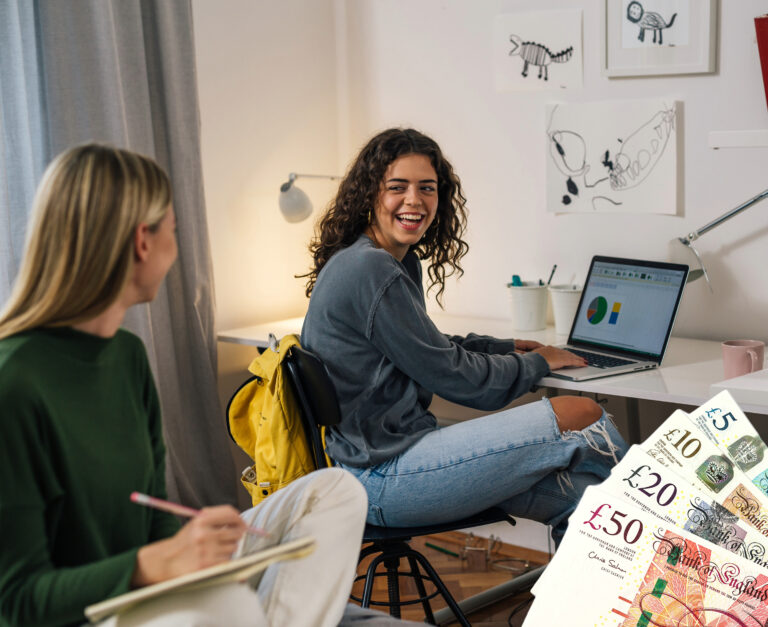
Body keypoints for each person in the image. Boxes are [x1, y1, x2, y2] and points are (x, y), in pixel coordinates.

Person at [0, 144, 407, 627]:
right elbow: (16, 602)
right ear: (141, 242)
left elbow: (149, 516)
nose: (178, 247)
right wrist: (152, 565)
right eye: (174, 228)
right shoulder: (14, 384)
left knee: (336, 492)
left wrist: (189, 549)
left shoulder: (126, 357)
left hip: (150, 585)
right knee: (228, 607)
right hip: (95, 611)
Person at [300, 128, 629, 545]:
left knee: (589, 503)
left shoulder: (385, 261)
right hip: (383, 477)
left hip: (372, 469)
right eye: (397, 188)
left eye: (427, 188)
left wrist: (506, 347)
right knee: (582, 415)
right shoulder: (371, 270)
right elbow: (458, 378)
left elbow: (426, 344)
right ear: (369, 194)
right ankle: (673, 521)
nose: (414, 200)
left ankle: (595, 602)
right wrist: (538, 364)